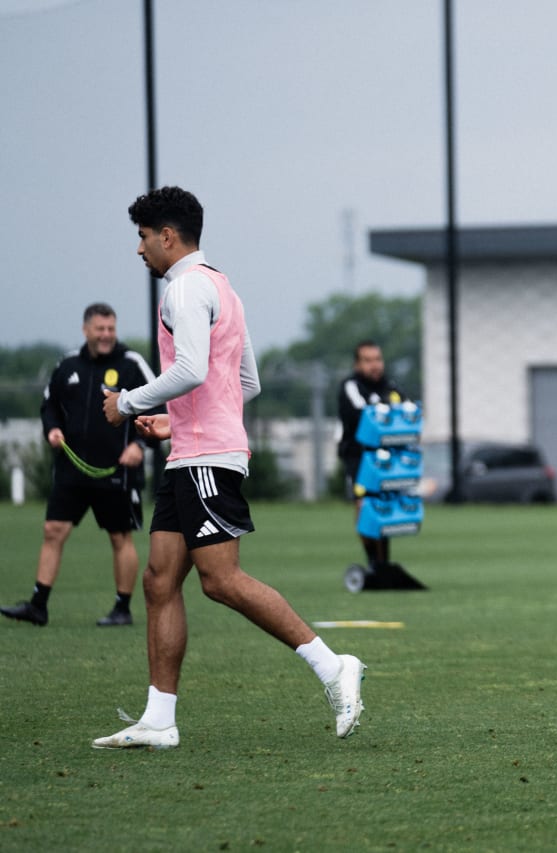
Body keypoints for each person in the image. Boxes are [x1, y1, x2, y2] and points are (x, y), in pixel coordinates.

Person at [96, 186, 365, 749]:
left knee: (221, 581)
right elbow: (245, 384)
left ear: (167, 236)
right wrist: (178, 422)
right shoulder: (223, 286)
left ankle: (332, 665)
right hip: (192, 454)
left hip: (205, 461)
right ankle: (159, 719)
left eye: (143, 238)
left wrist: (131, 402)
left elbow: (192, 369)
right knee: (160, 580)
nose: (139, 250)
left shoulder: (185, 288)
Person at [1, 304, 160, 628]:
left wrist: (139, 446)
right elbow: (49, 406)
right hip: (71, 470)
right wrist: (52, 430)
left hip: (116, 470)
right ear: (86, 329)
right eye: (100, 329)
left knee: (120, 536)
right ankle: (38, 605)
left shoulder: (131, 364)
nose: (106, 335)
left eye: (111, 329)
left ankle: (122, 608)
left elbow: (161, 407)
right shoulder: (68, 364)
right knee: (52, 530)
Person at [337, 340, 402, 572]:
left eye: (377, 359)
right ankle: (373, 561)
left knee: (384, 506)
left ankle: (384, 563)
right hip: (358, 458)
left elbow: (403, 410)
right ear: (357, 364)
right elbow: (363, 413)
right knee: (364, 505)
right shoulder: (351, 386)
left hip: (384, 457)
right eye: (368, 360)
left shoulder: (389, 386)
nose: (374, 365)